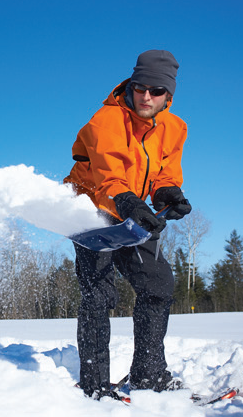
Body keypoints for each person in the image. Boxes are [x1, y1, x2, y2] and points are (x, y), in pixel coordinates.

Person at [64, 50, 192, 399]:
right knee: (99, 291)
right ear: (131, 85)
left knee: (158, 285)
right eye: (140, 88)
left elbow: (163, 170)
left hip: (131, 212)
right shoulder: (104, 121)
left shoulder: (174, 127)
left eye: (156, 91)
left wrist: (167, 192)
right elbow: (109, 177)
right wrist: (130, 202)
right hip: (90, 208)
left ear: (169, 95)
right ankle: (94, 385)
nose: (146, 97)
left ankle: (148, 373)